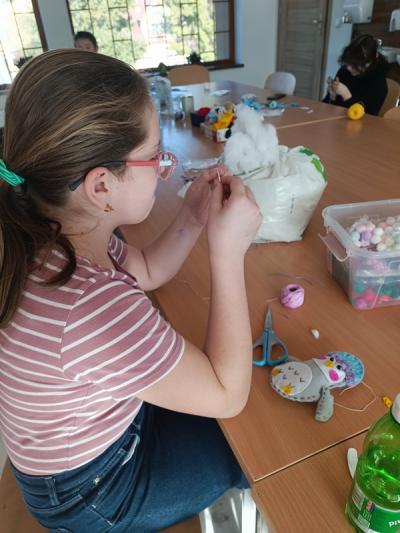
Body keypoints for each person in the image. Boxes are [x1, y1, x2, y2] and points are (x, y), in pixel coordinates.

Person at [0, 50, 262, 532]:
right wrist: (228, 254)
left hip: (90, 438)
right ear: (101, 186)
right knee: (257, 447)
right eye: (156, 155)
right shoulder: (88, 301)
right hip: (93, 491)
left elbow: (146, 269)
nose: (164, 166)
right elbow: (227, 395)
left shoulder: (55, 230)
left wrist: (192, 218)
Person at [323, 34, 388, 116]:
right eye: (348, 63)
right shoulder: (344, 71)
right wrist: (332, 97)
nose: (349, 68)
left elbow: (367, 117)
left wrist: (346, 96)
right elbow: (327, 106)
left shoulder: (378, 82)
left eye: (355, 65)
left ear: (369, 62)